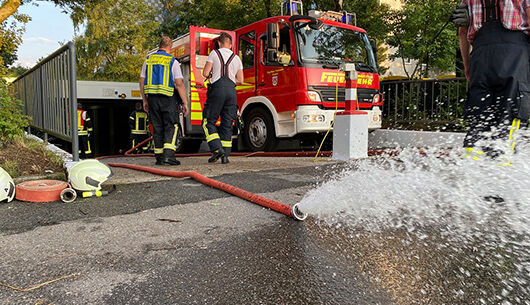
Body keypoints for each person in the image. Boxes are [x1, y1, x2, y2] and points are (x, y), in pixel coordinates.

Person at [452, 1, 530, 160]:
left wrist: (468, 66)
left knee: (480, 123)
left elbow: (462, 30)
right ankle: (502, 171)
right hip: (515, 57)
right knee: (510, 120)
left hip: (481, 58)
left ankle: (471, 171)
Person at [140, 36, 189, 165]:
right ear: (170, 47)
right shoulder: (172, 61)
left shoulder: (148, 60)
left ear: (159, 46)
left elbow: (142, 81)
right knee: (171, 125)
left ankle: (159, 157)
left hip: (152, 99)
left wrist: (144, 100)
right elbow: (179, 83)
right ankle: (169, 156)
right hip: (168, 99)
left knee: (157, 127)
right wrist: (185, 102)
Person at [201, 32, 244, 164]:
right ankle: (225, 156)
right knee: (227, 124)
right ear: (230, 45)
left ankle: (217, 148)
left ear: (219, 43)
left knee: (209, 121)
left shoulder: (214, 53)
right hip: (231, 91)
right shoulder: (236, 58)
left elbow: (205, 73)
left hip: (217, 90)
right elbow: (241, 80)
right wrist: (230, 81)